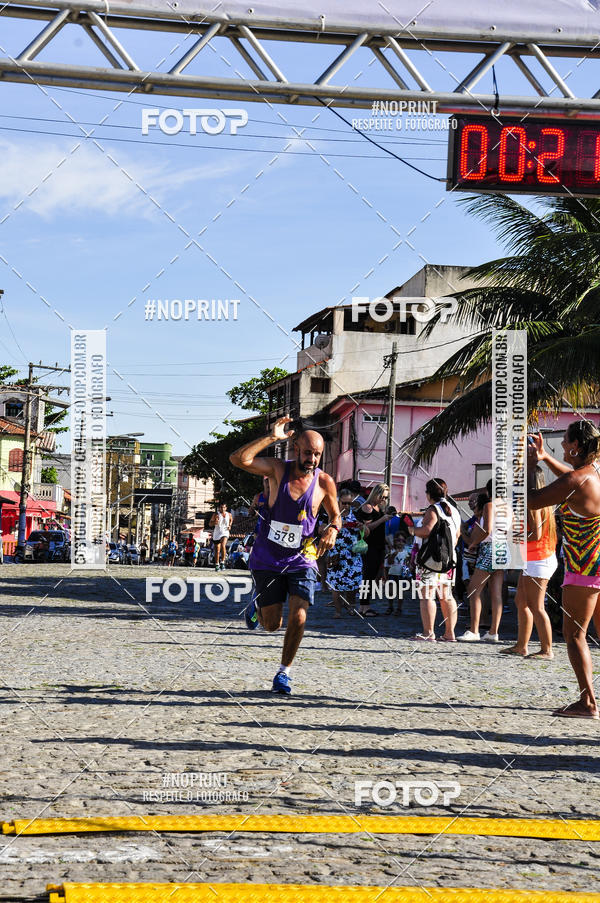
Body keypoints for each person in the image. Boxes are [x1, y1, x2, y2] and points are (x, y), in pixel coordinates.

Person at [229, 415, 340, 695]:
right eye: (307, 453)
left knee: (300, 616)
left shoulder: (325, 483)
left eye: (317, 455)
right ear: (295, 450)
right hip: (267, 557)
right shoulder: (278, 469)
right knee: (271, 625)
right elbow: (239, 459)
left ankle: (283, 673)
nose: (312, 459)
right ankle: (257, 604)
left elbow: (336, 516)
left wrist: (333, 530)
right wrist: (271, 438)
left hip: (302, 557)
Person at [528, 423, 600, 719]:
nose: (562, 447)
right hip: (598, 563)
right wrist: (545, 457)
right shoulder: (594, 473)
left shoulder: (575, 480)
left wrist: (531, 466)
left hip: (583, 568)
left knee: (574, 636)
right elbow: (571, 480)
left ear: (576, 447)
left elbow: (533, 501)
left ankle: (588, 703)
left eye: (565, 442)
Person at [500, 466, 557, 659]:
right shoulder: (539, 501)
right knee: (521, 601)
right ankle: (521, 645)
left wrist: (513, 536)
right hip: (534, 558)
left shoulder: (534, 504)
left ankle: (547, 650)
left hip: (539, 559)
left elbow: (536, 534)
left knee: (536, 606)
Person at [407, 478, 461, 642]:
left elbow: (426, 531)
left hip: (430, 558)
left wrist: (412, 530)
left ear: (429, 494)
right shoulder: (454, 510)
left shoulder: (433, 509)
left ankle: (428, 633)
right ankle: (450, 633)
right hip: (449, 559)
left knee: (427, 596)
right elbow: (457, 536)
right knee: (447, 595)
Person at [458, 479, 507, 644]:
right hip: (503, 549)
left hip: (489, 548)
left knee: (473, 589)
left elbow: (487, 530)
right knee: (496, 592)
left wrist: (473, 543)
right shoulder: (509, 508)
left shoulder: (489, 505)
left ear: (488, 490)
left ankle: (474, 630)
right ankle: (494, 631)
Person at [356, 483, 393, 616]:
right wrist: (382, 519)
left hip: (378, 546)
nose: (384, 500)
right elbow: (367, 529)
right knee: (368, 576)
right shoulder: (367, 507)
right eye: (382, 496)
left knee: (372, 577)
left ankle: (364, 606)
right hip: (369, 546)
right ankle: (364, 606)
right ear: (376, 494)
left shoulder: (378, 507)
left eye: (386, 497)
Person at [326, 489, 364, 618]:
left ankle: (350, 607)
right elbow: (322, 530)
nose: (347, 506)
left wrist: (361, 527)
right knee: (336, 585)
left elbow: (367, 532)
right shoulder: (333, 515)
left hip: (353, 555)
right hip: (337, 553)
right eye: (344, 503)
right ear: (338, 502)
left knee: (352, 584)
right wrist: (336, 526)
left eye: (349, 503)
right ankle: (338, 611)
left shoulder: (357, 515)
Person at [384, 532, 411, 615]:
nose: (400, 542)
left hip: (401, 575)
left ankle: (399, 608)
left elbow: (408, 564)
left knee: (400, 592)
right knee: (391, 592)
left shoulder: (406, 553)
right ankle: (390, 606)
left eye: (403, 541)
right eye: (398, 540)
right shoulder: (391, 551)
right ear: (394, 541)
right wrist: (393, 555)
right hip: (392, 574)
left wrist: (408, 573)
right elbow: (388, 563)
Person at [210, 503, 232, 572]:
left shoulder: (229, 514)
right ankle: (217, 564)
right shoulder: (216, 515)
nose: (222, 509)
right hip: (217, 533)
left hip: (225, 532)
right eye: (221, 507)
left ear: (226, 508)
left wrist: (230, 525)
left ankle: (222, 562)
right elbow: (210, 524)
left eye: (224, 507)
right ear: (219, 508)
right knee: (217, 550)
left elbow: (231, 520)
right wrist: (214, 522)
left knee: (223, 545)